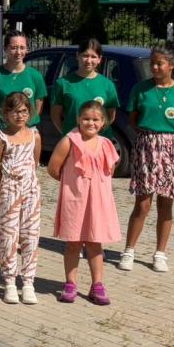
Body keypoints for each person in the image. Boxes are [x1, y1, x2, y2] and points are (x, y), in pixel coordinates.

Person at [120, 45, 174, 273]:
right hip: (147, 147)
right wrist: (149, 136)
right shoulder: (141, 89)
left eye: (159, 63)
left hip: (173, 149)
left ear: (172, 65)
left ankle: (160, 253)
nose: (154, 67)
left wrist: (172, 136)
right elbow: (133, 118)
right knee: (142, 203)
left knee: (166, 203)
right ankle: (129, 251)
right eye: (152, 63)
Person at [46, 100, 120, 305]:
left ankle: (98, 285)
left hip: (98, 203)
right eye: (86, 118)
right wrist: (72, 183)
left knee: (96, 244)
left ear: (103, 122)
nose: (90, 123)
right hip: (75, 201)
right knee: (73, 244)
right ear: (78, 119)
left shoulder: (106, 144)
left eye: (96, 119)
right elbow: (53, 168)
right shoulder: (69, 141)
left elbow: (110, 171)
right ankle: (70, 283)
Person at [0, 92, 43, 305]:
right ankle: (10, 281)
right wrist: (6, 183)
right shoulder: (1, 137)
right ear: (6, 114)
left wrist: (27, 179)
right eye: (14, 112)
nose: (19, 116)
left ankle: (28, 281)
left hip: (31, 189)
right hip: (10, 189)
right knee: (9, 236)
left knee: (30, 234)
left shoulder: (34, 135)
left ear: (29, 113)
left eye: (23, 111)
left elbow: (35, 161)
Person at [49, 39, 118, 136]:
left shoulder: (108, 85)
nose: (89, 61)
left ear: (99, 59)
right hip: (73, 139)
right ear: (77, 55)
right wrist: (69, 135)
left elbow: (111, 116)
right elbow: (55, 116)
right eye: (85, 55)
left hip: (99, 139)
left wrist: (95, 133)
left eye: (93, 57)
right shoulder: (62, 83)